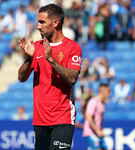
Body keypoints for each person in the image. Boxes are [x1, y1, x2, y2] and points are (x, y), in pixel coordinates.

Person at [18, 4, 82, 150]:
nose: (38, 27)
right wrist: (29, 59)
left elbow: (72, 78)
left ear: (55, 23)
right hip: (40, 119)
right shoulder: (38, 46)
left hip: (62, 118)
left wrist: (51, 59)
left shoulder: (72, 47)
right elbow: (21, 77)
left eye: (42, 22)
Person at [83, 83, 111, 150]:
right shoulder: (93, 101)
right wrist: (97, 130)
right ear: (103, 91)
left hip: (97, 132)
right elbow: (89, 117)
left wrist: (100, 130)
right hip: (91, 132)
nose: (110, 93)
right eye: (108, 91)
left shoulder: (102, 103)